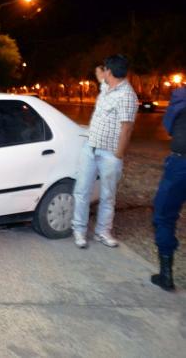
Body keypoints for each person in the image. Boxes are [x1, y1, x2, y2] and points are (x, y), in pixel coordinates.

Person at [72, 54, 138, 249]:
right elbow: (99, 74)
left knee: (108, 195)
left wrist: (118, 156)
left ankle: (102, 232)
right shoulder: (106, 86)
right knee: (81, 191)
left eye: (105, 69)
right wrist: (100, 71)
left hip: (109, 154)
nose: (103, 72)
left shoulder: (127, 96)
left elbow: (127, 129)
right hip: (90, 149)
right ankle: (79, 230)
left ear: (111, 71)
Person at [151, 86, 186, 291]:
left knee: (164, 215)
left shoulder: (181, 96)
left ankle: (166, 275)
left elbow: (170, 126)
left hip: (180, 166)